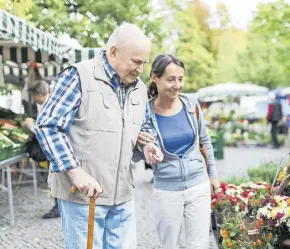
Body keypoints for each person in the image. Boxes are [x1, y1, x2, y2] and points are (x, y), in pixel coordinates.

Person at [35, 23, 151, 249]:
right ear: (114, 52)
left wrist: (147, 145)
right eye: (136, 62)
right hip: (83, 198)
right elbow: (47, 125)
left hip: (123, 196)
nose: (141, 69)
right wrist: (75, 172)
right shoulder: (78, 76)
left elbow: (143, 128)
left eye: (144, 63)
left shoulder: (140, 89)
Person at [138, 54, 220, 249]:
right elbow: (141, 146)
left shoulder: (191, 105)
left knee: (198, 245)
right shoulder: (145, 112)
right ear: (155, 78)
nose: (177, 85)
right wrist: (146, 150)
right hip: (167, 189)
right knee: (169, 245)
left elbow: (205, 141)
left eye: (180, 79)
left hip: (198, 186)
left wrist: (213, 175)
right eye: (171, 79)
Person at [22, 80, 61, 219]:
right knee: (56, 180)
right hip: (54, 150)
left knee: (57, 180)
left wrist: (30, 125)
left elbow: (45, 130)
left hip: (54, 150)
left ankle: (59, 208)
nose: (33, 99)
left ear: (38, 94)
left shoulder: (49, 106)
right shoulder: (50, 103)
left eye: (33, 96)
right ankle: (60, 207)